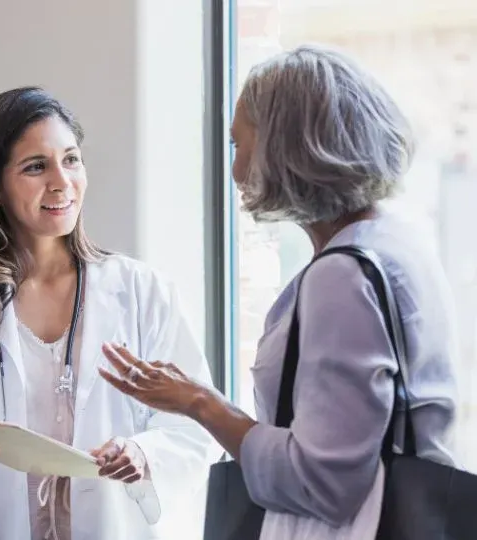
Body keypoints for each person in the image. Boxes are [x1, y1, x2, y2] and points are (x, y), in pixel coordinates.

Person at [99, 44, 459, 529]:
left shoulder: (342, 275)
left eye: (238, 145)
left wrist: (200, 403)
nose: (235, 171)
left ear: (285, 145)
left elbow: (324, 484)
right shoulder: (397, 240)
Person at [0, 87, 219, 539]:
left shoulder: (142, 293)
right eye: (35, 167)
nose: (61, 181)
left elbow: (194, 427)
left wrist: (142, 454)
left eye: (72, 159)